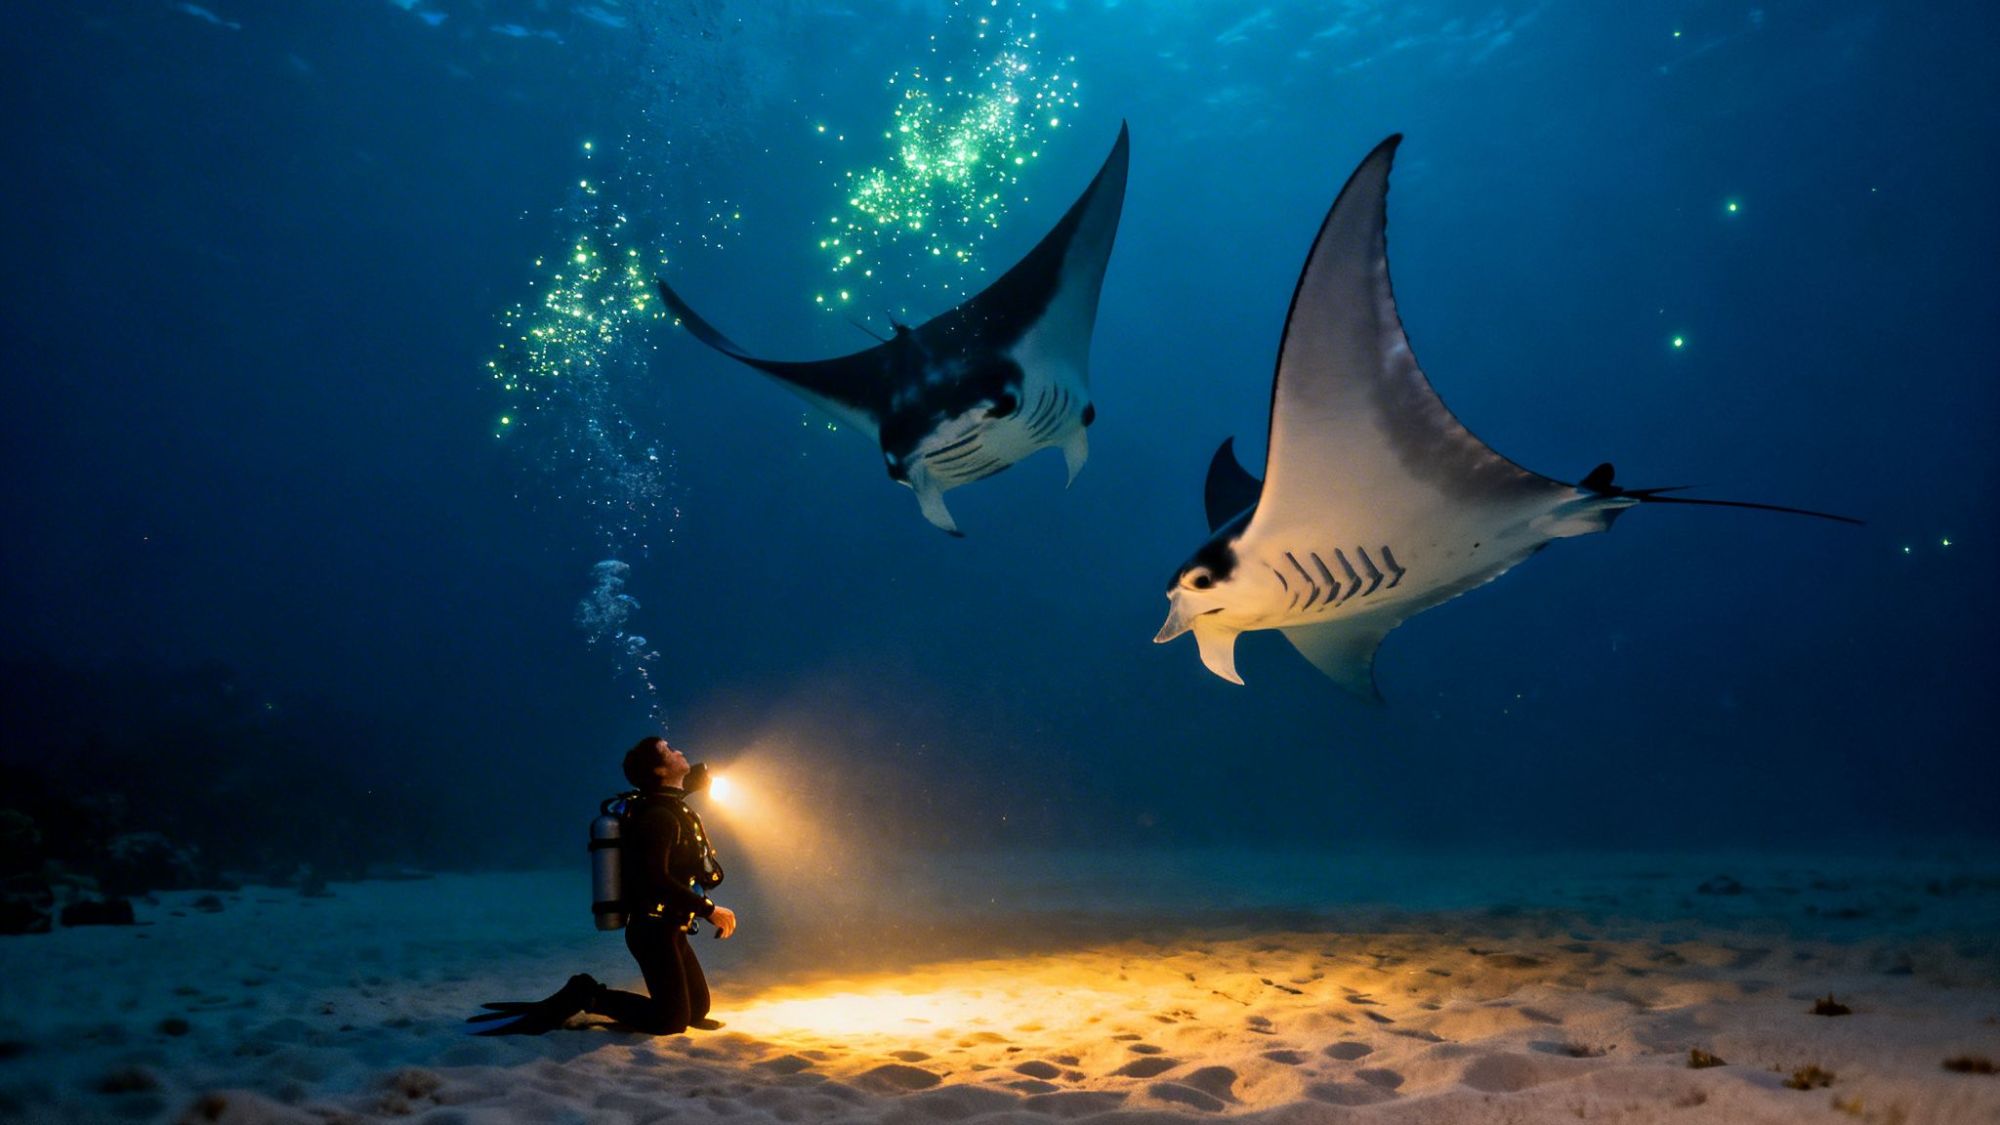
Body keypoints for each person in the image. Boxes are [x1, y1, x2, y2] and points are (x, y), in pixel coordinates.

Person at [467, 736, 738, 1035]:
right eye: (668, 751)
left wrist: (697, 776)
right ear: (660, 772)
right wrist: (708, 909)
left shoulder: (665, 804)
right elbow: (655, 879)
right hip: (653, 933)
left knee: (697, 1011)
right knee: (670, 1022)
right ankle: (588, 994)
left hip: (673, 928)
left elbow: (672, 791)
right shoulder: (659, 817)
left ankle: (598, 997)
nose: (679, 750)